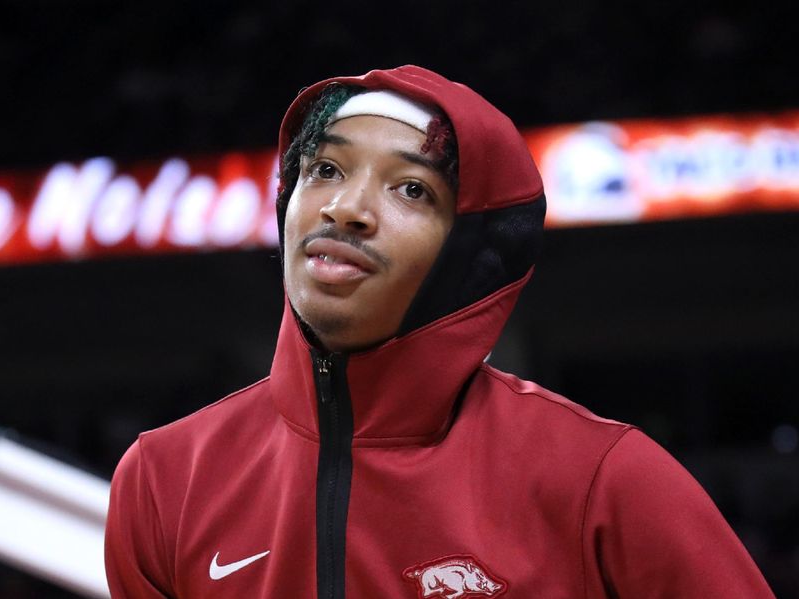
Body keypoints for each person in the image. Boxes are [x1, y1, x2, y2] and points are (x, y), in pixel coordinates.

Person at [104, 65, 775, 598]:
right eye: (326, 169)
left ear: (469, 252)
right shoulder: (163, 482)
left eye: (411, 190)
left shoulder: (604, 481)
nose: (346, 208)